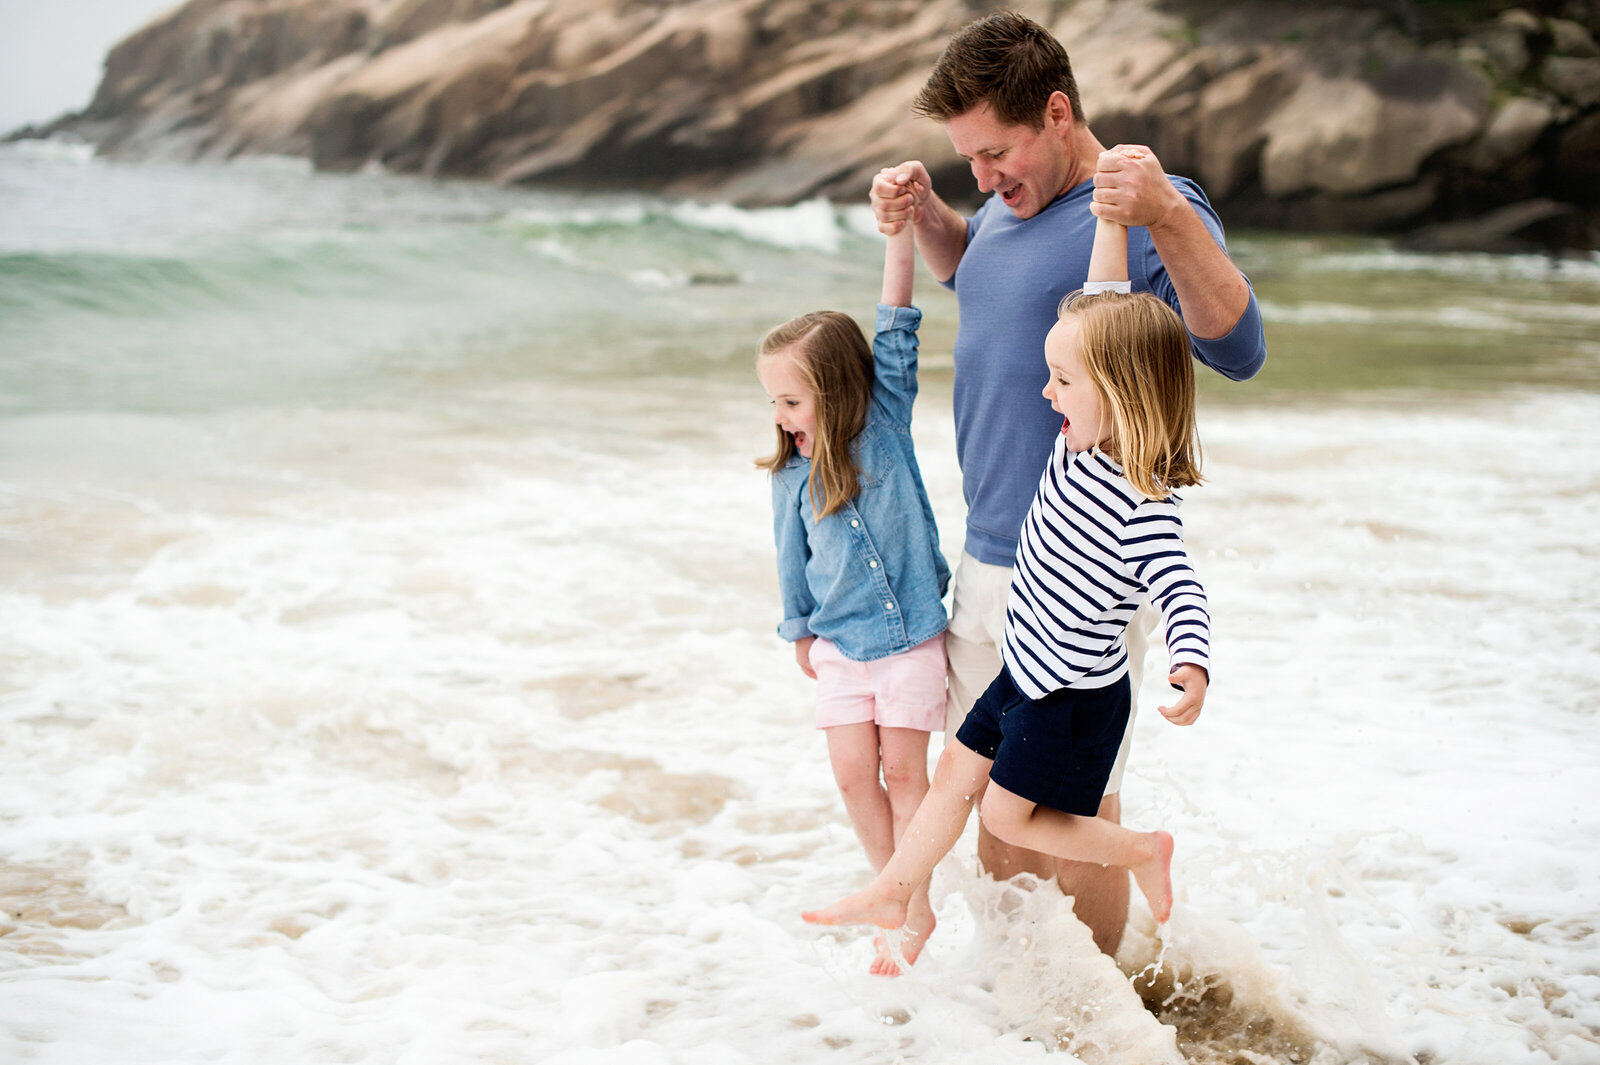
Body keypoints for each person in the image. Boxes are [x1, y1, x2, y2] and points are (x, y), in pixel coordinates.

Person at [869, 10, 1266, 956]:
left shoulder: (1134, 210)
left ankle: (1107, 1017)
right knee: (1001, 819)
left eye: (996, 151)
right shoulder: (1003, 217)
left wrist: (1164, 210)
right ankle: (1028, 1015)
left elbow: (1240, 348)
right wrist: (930, 218)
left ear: (1057, 113)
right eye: (968, 158)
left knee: (1073, 807)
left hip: (1084, 570)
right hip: (991, 557)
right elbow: (981, 277)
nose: (985, 175)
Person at [803, 213, 1209, 942]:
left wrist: (1191, 658)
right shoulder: (1079, 439)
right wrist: (1110, 222)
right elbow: (1105, 301)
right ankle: (893, 891)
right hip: (1025, 669)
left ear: (1118, 391)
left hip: (1072, 698)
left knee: (1003, 812)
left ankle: (1145, 851)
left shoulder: (1141, 498)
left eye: (1060, 380)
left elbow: (1180, 586)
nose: (1046, 394)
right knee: (959, 775)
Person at [757, 219, 951, 976]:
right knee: (850, 772)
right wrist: (799, 627)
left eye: (791, 400)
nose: (780, 415)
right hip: (838, 643)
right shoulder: (789, 474)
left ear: (836, 388)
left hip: (909, 638)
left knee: (906, 774)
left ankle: (912, 898)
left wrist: (898, 232)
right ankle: (889, 890)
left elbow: (897, 321)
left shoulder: (886, 419)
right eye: (774, 401)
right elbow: (789, 553)